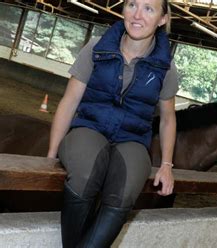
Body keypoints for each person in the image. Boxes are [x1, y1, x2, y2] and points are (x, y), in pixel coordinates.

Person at [46, 0, 177, 246]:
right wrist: (52, 154)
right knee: (85, 171)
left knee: (128, 187)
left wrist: (167, 164)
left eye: (149, 8)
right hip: (90, 126)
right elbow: (70, 100)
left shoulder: (166, 67)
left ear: (162, 19)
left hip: (133, 139)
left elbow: (168, 118)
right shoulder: (96, 48)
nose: (137, 15)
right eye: (132, 5)